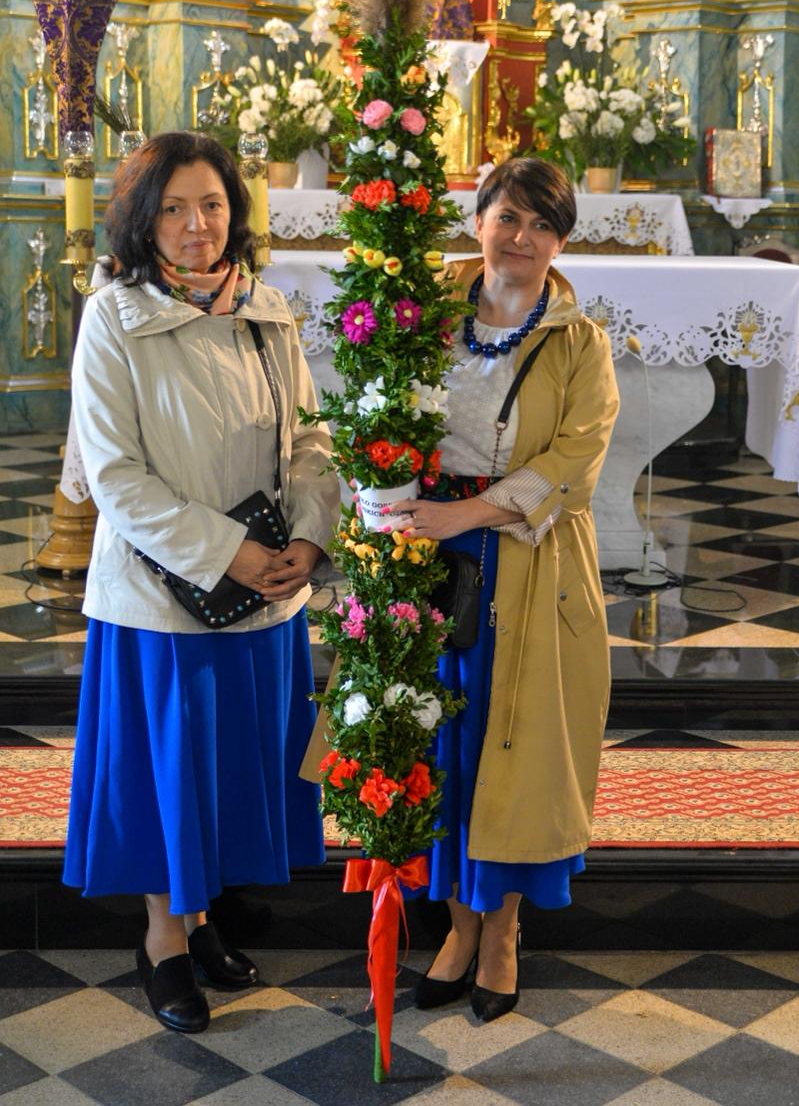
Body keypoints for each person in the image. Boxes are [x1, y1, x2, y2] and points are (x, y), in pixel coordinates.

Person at [63, 132, 340, 1034]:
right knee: (168, 772)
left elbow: (310, 439)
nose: (197, 225)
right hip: (160, 595)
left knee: (227, 766)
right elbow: (116, 477)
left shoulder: (266, 310)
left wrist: (308, 538)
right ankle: (163, 940)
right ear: (145, 219)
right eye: (176, 208)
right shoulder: (115, 317)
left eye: (213, 205)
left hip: (263, 590)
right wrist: (227, 552)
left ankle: (204, 915)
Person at [390, 156, 619, 1022]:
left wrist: (469, 513)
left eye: (542, 225)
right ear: (478, 220)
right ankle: (456, 927)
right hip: (430, 563)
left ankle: (502, 935)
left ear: (560, 241)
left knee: (515, 750)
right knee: (440, 745)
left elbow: (575, 465)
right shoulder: (424, 315)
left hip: (529, 562)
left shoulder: (580, 342)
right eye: (508, 217)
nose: (521, 237)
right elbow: (382, 414)